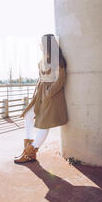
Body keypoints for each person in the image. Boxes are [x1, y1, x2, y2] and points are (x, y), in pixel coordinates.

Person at [14, 34, 68, 163]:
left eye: (42, 43)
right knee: (28, 115)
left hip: (51, 95)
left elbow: (61, 79)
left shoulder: (57, 60)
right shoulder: (43, 59)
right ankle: (27, 149)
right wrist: (37, 93)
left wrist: (49, 93)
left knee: (44, 123)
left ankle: (31, 152)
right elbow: (40, 78)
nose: (40, 45)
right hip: (39, 93)